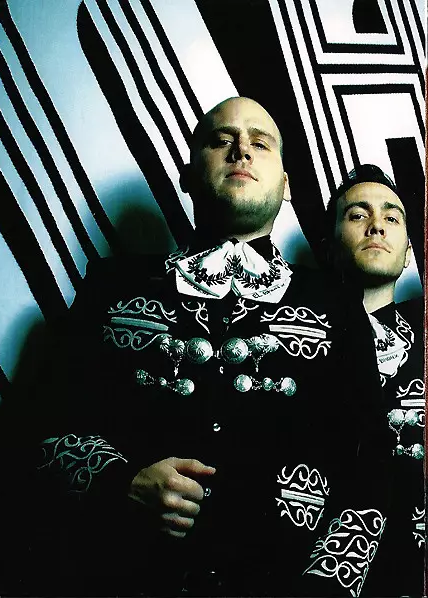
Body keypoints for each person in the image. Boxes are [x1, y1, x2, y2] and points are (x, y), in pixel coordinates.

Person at [32, 97, 390, 596]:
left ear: (286, 185)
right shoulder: (112, 284)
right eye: (221, 140)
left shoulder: (336, 303)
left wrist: (323, 589)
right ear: (187, 176)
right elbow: (43, 424)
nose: (241, 150)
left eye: (260, 143)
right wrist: (120, 484)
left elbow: (373, 468)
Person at [326, 164, 425, 596]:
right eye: (357, 215)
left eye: (392, 217)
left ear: (408, 253)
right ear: (330, 245)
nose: (376, 226)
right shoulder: (295, 339)